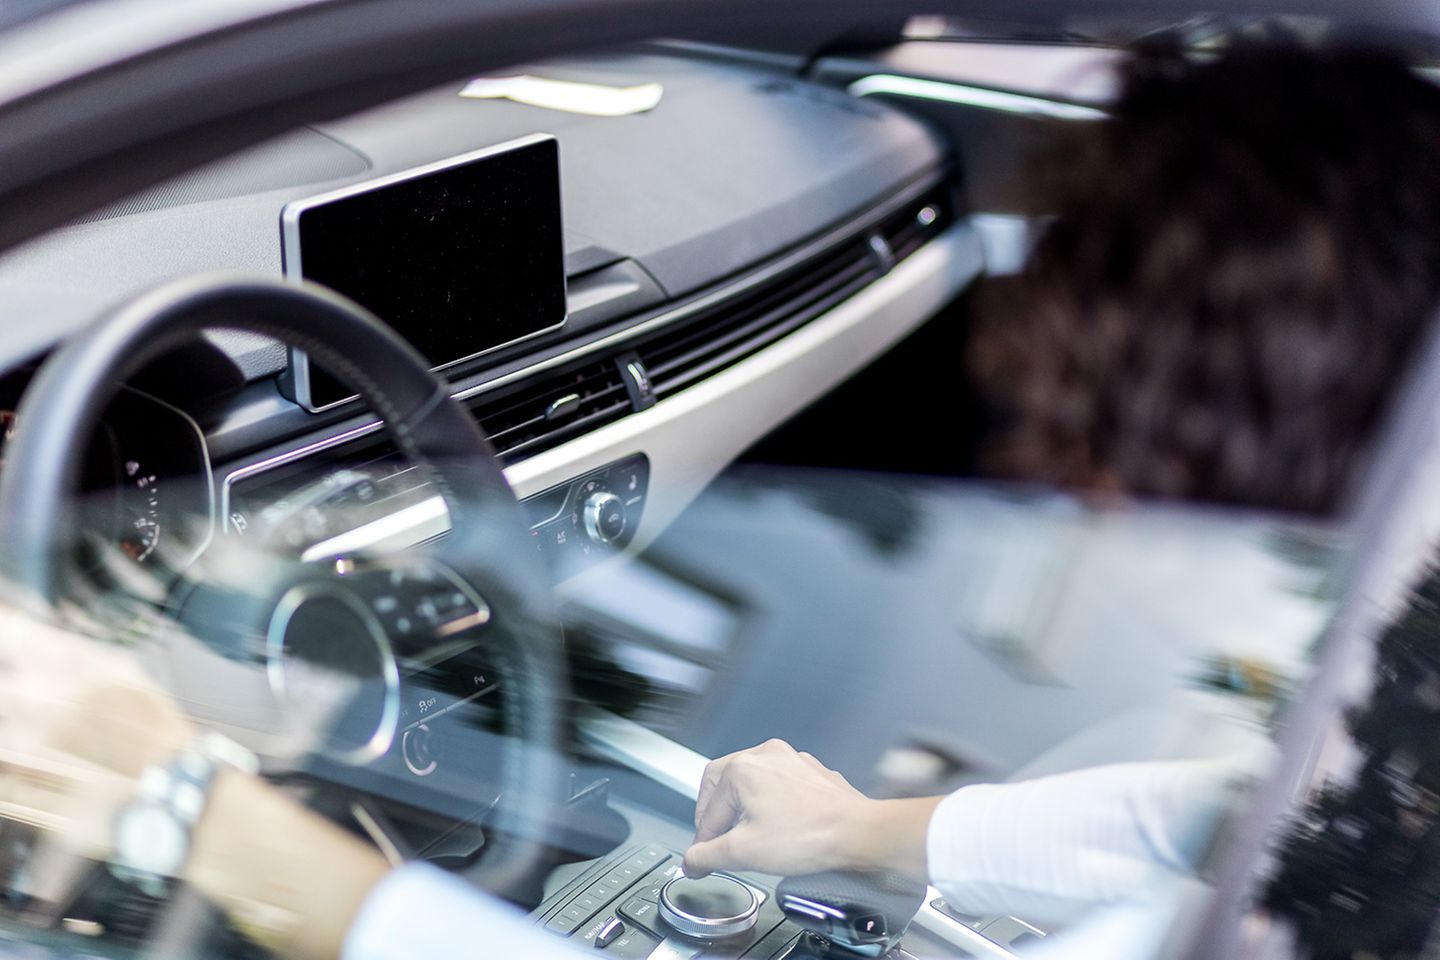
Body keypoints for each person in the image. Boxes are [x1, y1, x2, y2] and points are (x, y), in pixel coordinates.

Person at [4, 38, 1440, 960]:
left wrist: (181, 803)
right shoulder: (1394, 726)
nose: (1084, 507)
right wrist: (879, 838)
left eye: (1100, 482)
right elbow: (1271, 813)